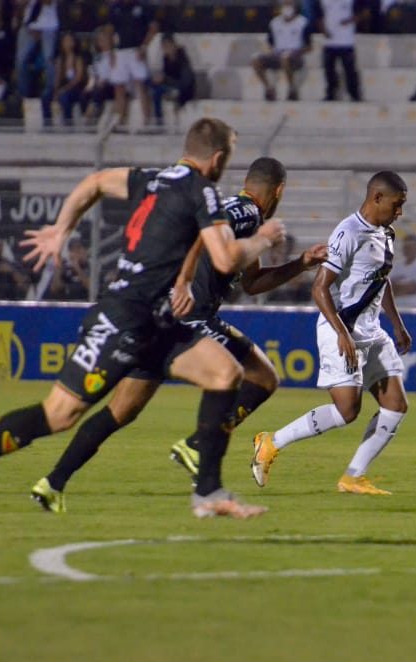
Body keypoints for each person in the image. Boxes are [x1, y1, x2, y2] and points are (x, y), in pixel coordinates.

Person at [0, 119, 286, 528]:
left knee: (224, 373)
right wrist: (263, 239)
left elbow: (94, 183)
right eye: (228, 156)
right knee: (59, 415)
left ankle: (208, 493)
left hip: (160, 321)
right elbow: (224, 259)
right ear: (217, 158)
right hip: (124, 318)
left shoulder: (152, 179)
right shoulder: (204, 191)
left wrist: (61, 229)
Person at [29, 158, 329, 511]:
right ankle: (198, 445)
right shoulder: (246, 213)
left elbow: (252, 282)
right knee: (263, 377)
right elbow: (198, 235)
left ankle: (52, 482)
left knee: (121, 411)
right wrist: (184, 281)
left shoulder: (240, 214)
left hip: (163, 318)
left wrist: (301, 264)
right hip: (191, 316)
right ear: (278, 192)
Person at [249, 171, 411, 495]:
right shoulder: (348, 232)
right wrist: (342, 333)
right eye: (397, 204)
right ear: (377, 198)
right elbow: (319, 288)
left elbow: (381, 278)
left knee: (395, 405)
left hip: (371, 331)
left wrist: (397, 324)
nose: (400, 212)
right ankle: (271, 442)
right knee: (347, 410)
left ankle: (352, 476)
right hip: (341, 327)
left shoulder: (387, 233)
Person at [109, 0, 158, 127]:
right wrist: (111, 52)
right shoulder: (115, 7)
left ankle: (147, 121)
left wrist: (144, 47)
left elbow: (153, 28)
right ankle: (119, 120)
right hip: (120, 51)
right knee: (119, 87)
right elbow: (110, 29)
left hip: (136, 50)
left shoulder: (142, 6)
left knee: (140, 85)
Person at [252, 0, 312, 102]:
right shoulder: (274, 23)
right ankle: (269, 89)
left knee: (285, 57)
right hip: (277, 54)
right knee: (255, 58)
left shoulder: (302, 23)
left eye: (289, 4)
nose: (286, 7)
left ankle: (292, 90)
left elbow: (309, 47)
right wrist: (274, 53)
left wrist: (295, 52)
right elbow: (270, 44)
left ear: (294, 6)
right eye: (284, 4)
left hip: (295, 56)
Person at [316, 0, 366, 101]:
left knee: (350, 69)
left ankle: (354, 94)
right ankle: (331, 93)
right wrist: (324, 30)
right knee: (329, 69)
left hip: (346, 40)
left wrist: (351, 20)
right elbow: (319, 16)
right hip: (329, 40)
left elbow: (363, 13)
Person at [14, 0, 58, 99]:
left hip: (48, 26)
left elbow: (48, 2)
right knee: (20, 60)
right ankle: (23, 92)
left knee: (49, 58)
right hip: (28, 24)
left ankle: (50, 91)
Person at [41, 32, 87, 127]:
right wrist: (56, 90)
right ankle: (47, 123)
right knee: (46, 96)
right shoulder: (60, 59)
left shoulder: (78, 58)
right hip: (62, 86)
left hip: (75, 88)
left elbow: (78, 78)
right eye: (65, 41)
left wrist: (64, 89)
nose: (67, 43)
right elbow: (57, 77)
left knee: (64, 97)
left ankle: (68, 122)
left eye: (69, 41)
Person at [151, 33, 196, 127]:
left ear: (173, 45)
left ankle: (162, 122)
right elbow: (166, 76)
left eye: (168, 45)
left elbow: (186, 82)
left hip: (184, 89)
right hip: (171, 86)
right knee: (153, 88)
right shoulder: (166, 59)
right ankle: (158, 120)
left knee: (159, 92)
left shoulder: (182, 60)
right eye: (164, 46)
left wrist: (166, 80)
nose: (166, 48)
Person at [389, 232, 416, 307]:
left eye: (410, 247)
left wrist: (396, 288)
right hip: (395, 303)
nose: (407, 249)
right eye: (406, 247)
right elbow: (387, 286)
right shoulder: (397, 265)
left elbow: (415, 287)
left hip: (414, 304)